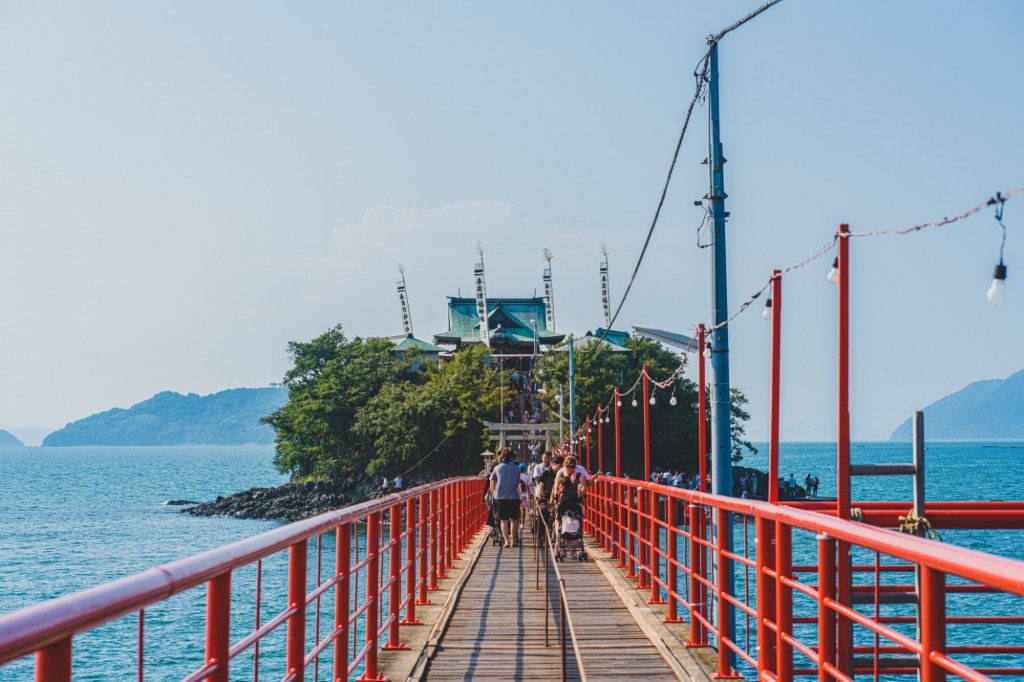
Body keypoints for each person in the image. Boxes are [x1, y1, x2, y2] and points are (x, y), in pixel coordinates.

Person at [489, 448, 526, 547]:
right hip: (514, 497)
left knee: (503, 521)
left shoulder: (497, 468)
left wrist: (494, 492)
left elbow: (492, 482)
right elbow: (518, 481)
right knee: (514, 520)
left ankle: (506, 541)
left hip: (500, 497)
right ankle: (513, 540)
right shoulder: (516, 468)